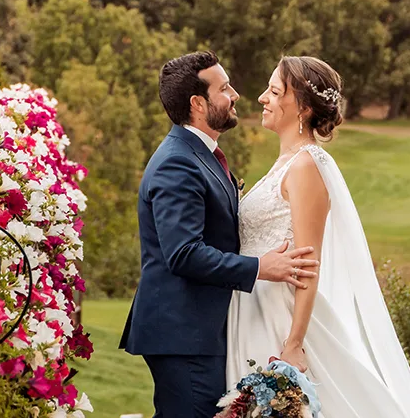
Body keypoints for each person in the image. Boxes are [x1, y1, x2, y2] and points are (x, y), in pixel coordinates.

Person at [225, 55, 410, 418]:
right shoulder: (286, 162)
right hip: (253, 307)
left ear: (302, 107)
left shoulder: (306, 166)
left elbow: (308, 264)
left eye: (274, 91)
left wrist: (294, 343)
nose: (261, 98)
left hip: (280, 317)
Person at [119, 51, 319, 418]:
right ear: (198, 103)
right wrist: (260, 267)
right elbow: (183, 253)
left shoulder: (201, 154)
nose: (236, 95)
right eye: (224, 88)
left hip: (204, 330)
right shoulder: (177, 162)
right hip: (184, 334)